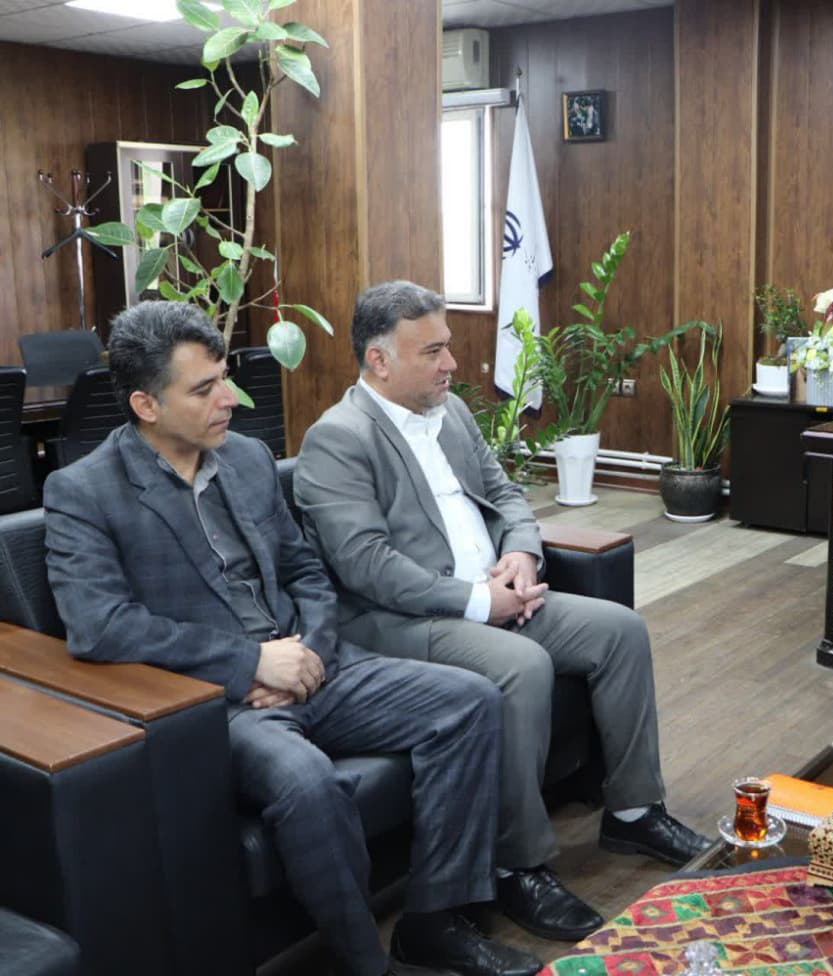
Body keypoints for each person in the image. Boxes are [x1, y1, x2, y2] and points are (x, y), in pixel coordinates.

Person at [43, 301, 543, 976]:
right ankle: (366, 964)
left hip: (312, 663)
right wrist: (251, 661)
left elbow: (307, 569)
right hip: (220, 702)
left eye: (224, 377)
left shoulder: (247, 458)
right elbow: (100, 624)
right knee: (307, 781)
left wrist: (311, 651)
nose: (229, 398)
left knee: (470, 702)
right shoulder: (83, 491)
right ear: (146, 404)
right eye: (204, 388)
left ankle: (434, 919)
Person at [294, 281, 713, 943]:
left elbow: (506, 494)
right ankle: (515, 865)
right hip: (403, 622)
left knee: (620, 631)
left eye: (448, 347)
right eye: (432, 351)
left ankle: (633, 812)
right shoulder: (338, 439)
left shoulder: (453, 412)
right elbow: (365, 565)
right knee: (522, 667)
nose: (452, 363)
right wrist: (476, 601)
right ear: (379, 360)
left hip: (497, 593)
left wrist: (520, 553)